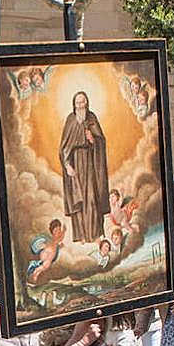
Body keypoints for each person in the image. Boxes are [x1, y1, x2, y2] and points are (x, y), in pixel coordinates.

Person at [59, 91, 110, 242]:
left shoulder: (92, 118)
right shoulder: (70, 120)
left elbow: (101, 141)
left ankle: (94, 234)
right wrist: (67, 165)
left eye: (83, 102)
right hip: (75, 163)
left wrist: (93, 139)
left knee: (92, 197)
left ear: (87, 103)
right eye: (78, 103)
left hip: (90, 164)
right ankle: (81, 235)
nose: (81, 105)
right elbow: (63, 146)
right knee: (77, 198)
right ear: (74, 105)